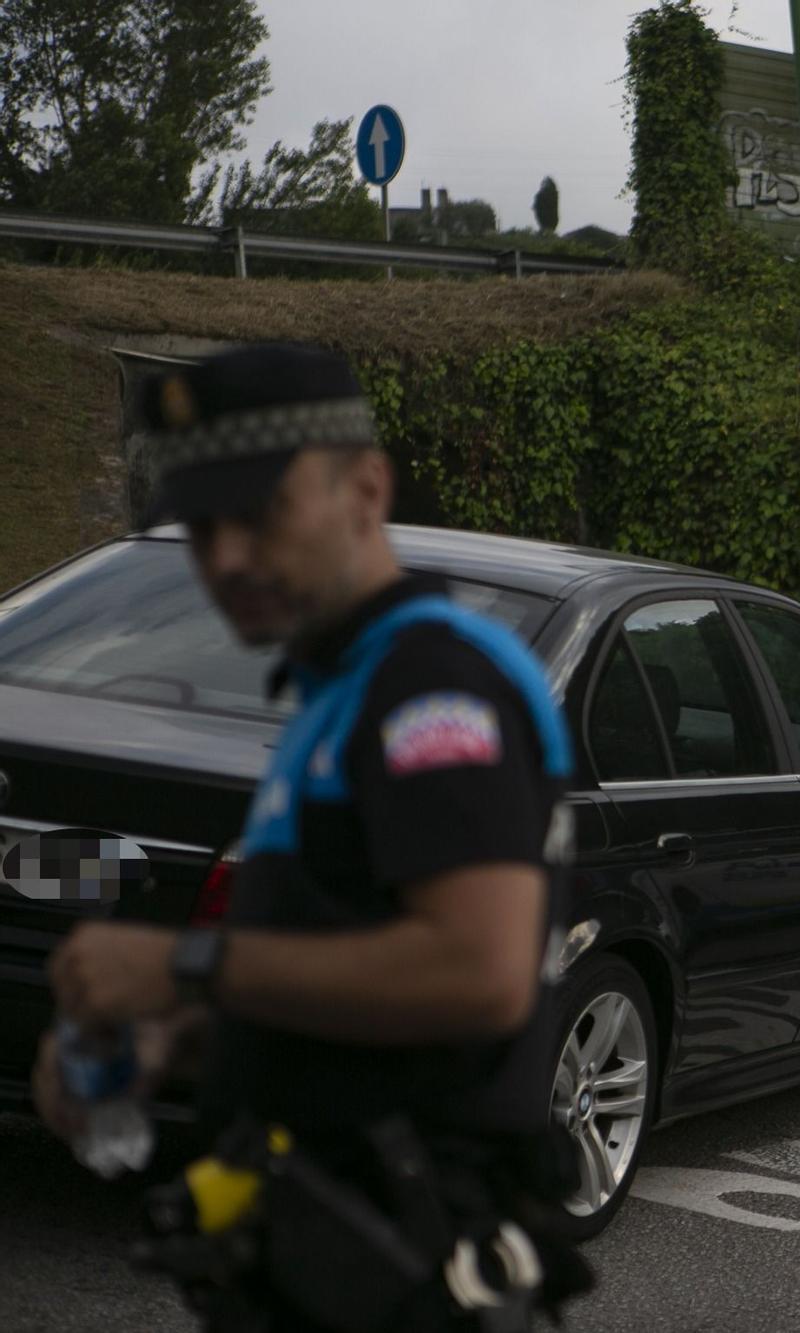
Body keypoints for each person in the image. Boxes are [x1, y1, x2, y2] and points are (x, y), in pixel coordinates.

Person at [30, 344, 588, 1332]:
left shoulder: (433, 686)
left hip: (406, 1268)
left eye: (260, 513)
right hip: (316, 1258)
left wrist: (183, 965)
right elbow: (349, 987)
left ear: (365, 487)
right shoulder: (343, 689)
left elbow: (477, 972)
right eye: (202, 528)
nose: (227, 557)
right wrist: (178, 1040)